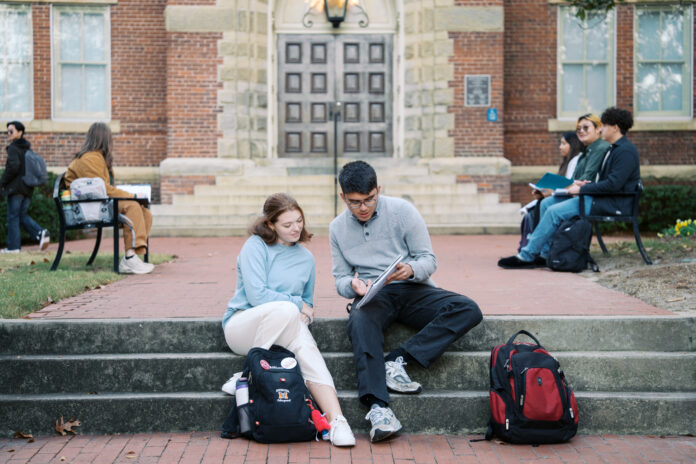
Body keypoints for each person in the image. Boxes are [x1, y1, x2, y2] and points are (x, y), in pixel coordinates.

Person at [329, 161, 483, 443]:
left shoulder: (402, 211)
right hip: (373, 295)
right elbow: (339, 277)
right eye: (354, 202)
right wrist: (352, 285)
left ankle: (397, 360)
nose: (363, 207)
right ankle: (378, 408)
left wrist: (411, 269)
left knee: (467, 309)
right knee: (360, 321)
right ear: (343, 198)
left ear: (379, 190)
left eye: (369, 199)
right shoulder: (337, 228)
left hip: (412, 288)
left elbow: (428, 260)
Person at [221, 193, 356, 447]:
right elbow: (257, 295)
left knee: (308, 351)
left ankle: (338, 421)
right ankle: (249, 374)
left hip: (284, 326)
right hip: (242, 327)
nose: (296, 228)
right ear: (271, 225)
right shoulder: (256, 246)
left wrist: (303, 313)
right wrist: (297, 306)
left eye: (299, 221)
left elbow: (308, 305)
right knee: (286, 309)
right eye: (287, 224)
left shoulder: (306, 258)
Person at [499, 107, 640, 269]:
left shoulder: (625, 152)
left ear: (615, 128)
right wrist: (585, 185)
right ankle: (545, 255)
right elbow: (608, 181)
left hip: (612, 204)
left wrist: (581, 190)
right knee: (546, 204)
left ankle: (526, 256)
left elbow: (614, 185)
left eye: (605, 126)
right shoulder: (614, 149)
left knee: (554, 211)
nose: (602, 129)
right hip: (602, 199)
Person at [64, 122, 154, 274]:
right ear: (104, 139)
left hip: (98, 204)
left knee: (145, 212)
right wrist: (133, 197)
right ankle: (130, 258)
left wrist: (134, 198)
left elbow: (103, 189)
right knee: (132, 206)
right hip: (88, 208)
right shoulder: (90, 158)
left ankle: (132, 256)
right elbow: (103, 189)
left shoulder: (97, 158)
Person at [519, 131, 584, 250]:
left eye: (564, 144)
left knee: (541, 206)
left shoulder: (576, 160)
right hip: (563, 197)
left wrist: (550, 192)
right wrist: (544, 192)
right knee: (535, 208)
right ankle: (534, 247)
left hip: (571, 199)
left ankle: (540, 249)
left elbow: (570, 186)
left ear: (573, 144)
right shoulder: (567, 163)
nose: (560, 147)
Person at [1, 121, 50, 253]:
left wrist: (3, 183)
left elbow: (13, 167)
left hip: (16, 188)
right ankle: (40, 233)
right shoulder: (27, 149)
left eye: (11, 131)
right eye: (7, 131)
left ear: (20, 132)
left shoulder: (13, 148)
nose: (8, 134)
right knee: (21, 215)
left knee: (13, 217)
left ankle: (13, 248)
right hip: (28, 188)